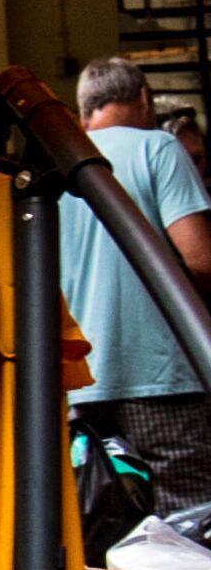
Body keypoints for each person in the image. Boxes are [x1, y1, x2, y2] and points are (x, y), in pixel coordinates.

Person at [60, 56, 211, 411]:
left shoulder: (57, 166)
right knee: (174, 470)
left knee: (95, 469)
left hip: (78, 380)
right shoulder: (158, 147)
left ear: (83, 113)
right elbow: (201, 261)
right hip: (159, 377)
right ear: (145, 99)